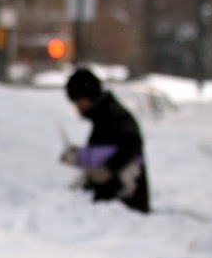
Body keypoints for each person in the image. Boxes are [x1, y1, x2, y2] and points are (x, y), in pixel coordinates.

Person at [60, 67, 150, 214]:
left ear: (86, 97)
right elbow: (103, 151)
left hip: (127, 205)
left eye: (77, 102)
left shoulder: (114, 116)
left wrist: (107, 168)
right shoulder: (104, 115)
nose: (77, 108)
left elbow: (131, 145)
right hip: (118, 204)